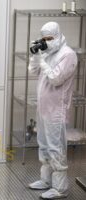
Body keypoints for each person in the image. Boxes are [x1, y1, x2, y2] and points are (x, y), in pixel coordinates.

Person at [28, 22, 77, 199]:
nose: (47, 42)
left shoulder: (68, 55)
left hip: (56, 110)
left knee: (56, 148)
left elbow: (56, 79)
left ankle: (60, 188)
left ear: (57, 35)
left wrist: (43, 61)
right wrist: (35, 55)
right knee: (44, 145)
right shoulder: (48, 52)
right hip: (43, 109)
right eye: (44, 39)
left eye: (49, 38)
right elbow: (33, 71)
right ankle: (46, 180)